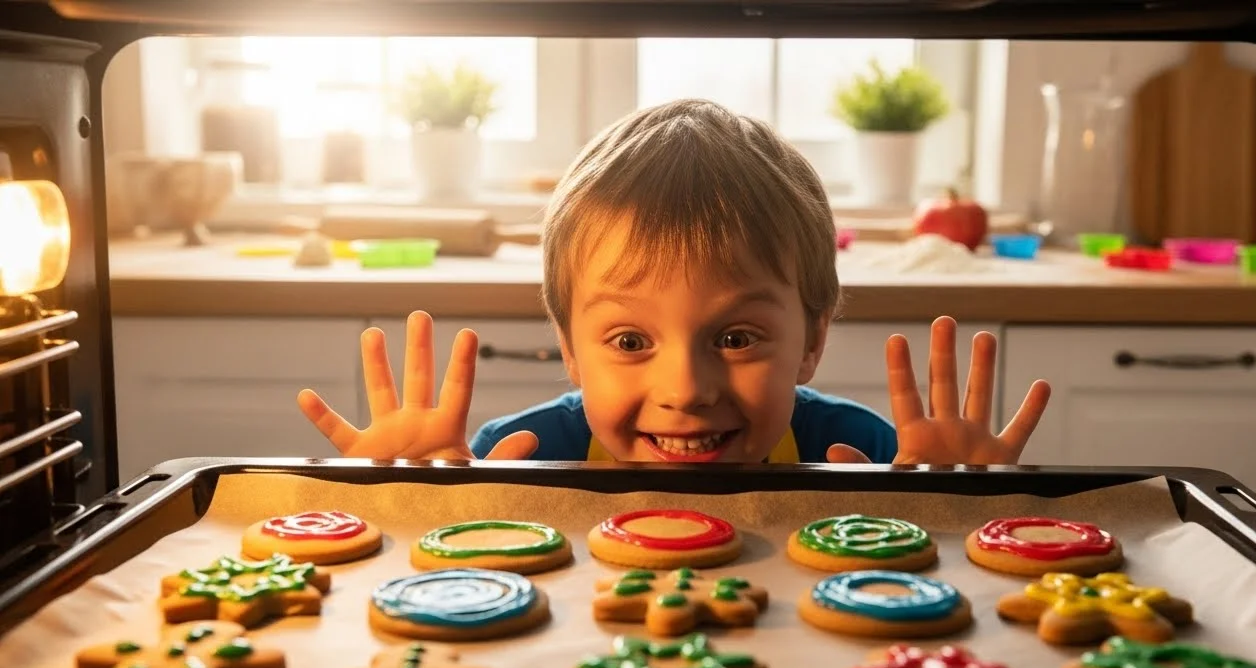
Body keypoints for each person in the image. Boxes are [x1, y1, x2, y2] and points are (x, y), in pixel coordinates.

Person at [297, 98, 1051, 466]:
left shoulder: (864, 454)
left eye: (734, 337)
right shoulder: (516, 458)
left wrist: (961, 505)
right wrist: (405, 507)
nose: (686, 388)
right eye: (629, 339)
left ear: (812, 338)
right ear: (569, 345)